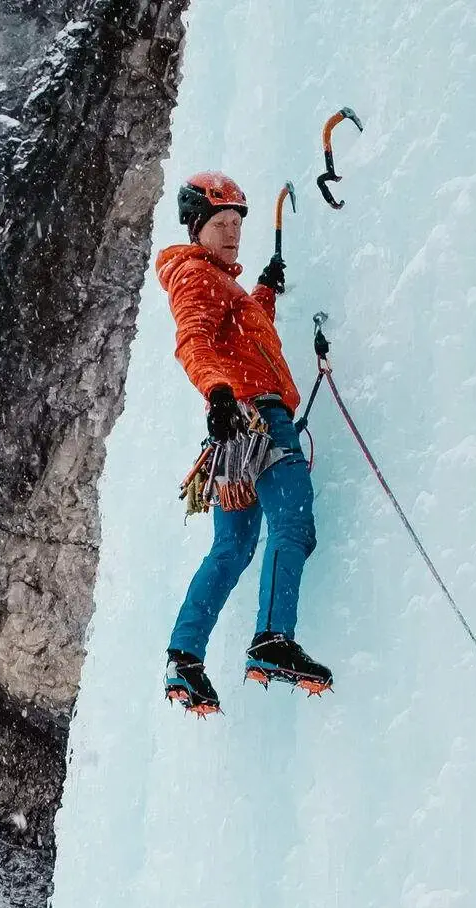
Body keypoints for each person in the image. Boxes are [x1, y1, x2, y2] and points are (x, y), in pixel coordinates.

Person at [156, 171, 330, 715]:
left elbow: (240, 334)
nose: (232, 232)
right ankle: (273, 640)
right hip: (255, 417)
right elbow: (194, 342)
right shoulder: (197, 278)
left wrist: (264, 292)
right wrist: (219, 392)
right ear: (197, 227)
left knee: (231, 549)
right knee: (293, 526)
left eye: (237, 223)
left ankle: (184, 659)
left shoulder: (219, 284)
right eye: (222, 223)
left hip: (234, 429)